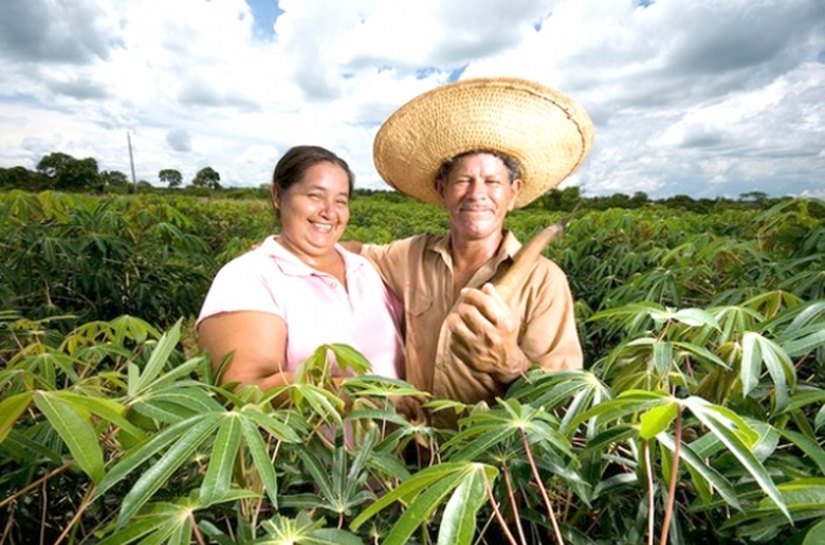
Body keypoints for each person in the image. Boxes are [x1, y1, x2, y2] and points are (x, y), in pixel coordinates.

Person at [355, 77, 594, 425]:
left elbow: (563, 404)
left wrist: (511, 364)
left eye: (492, 182)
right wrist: (289, 246)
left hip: (495, 455)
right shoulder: (411, 255)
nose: (476, 193)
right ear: (442, 189)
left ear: (513, 192)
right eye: (463, 180)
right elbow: (355, 252)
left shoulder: (544, 282)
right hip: (412, 448)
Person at [197, 145, 405, 393]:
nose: (329, 212)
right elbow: (246, 389)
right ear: (277, 195)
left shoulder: (366, 270)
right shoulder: (246, 278)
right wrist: (369, 395)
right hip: (314, 422)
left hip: (397, 419)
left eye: (341, 201)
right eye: (315, 196)